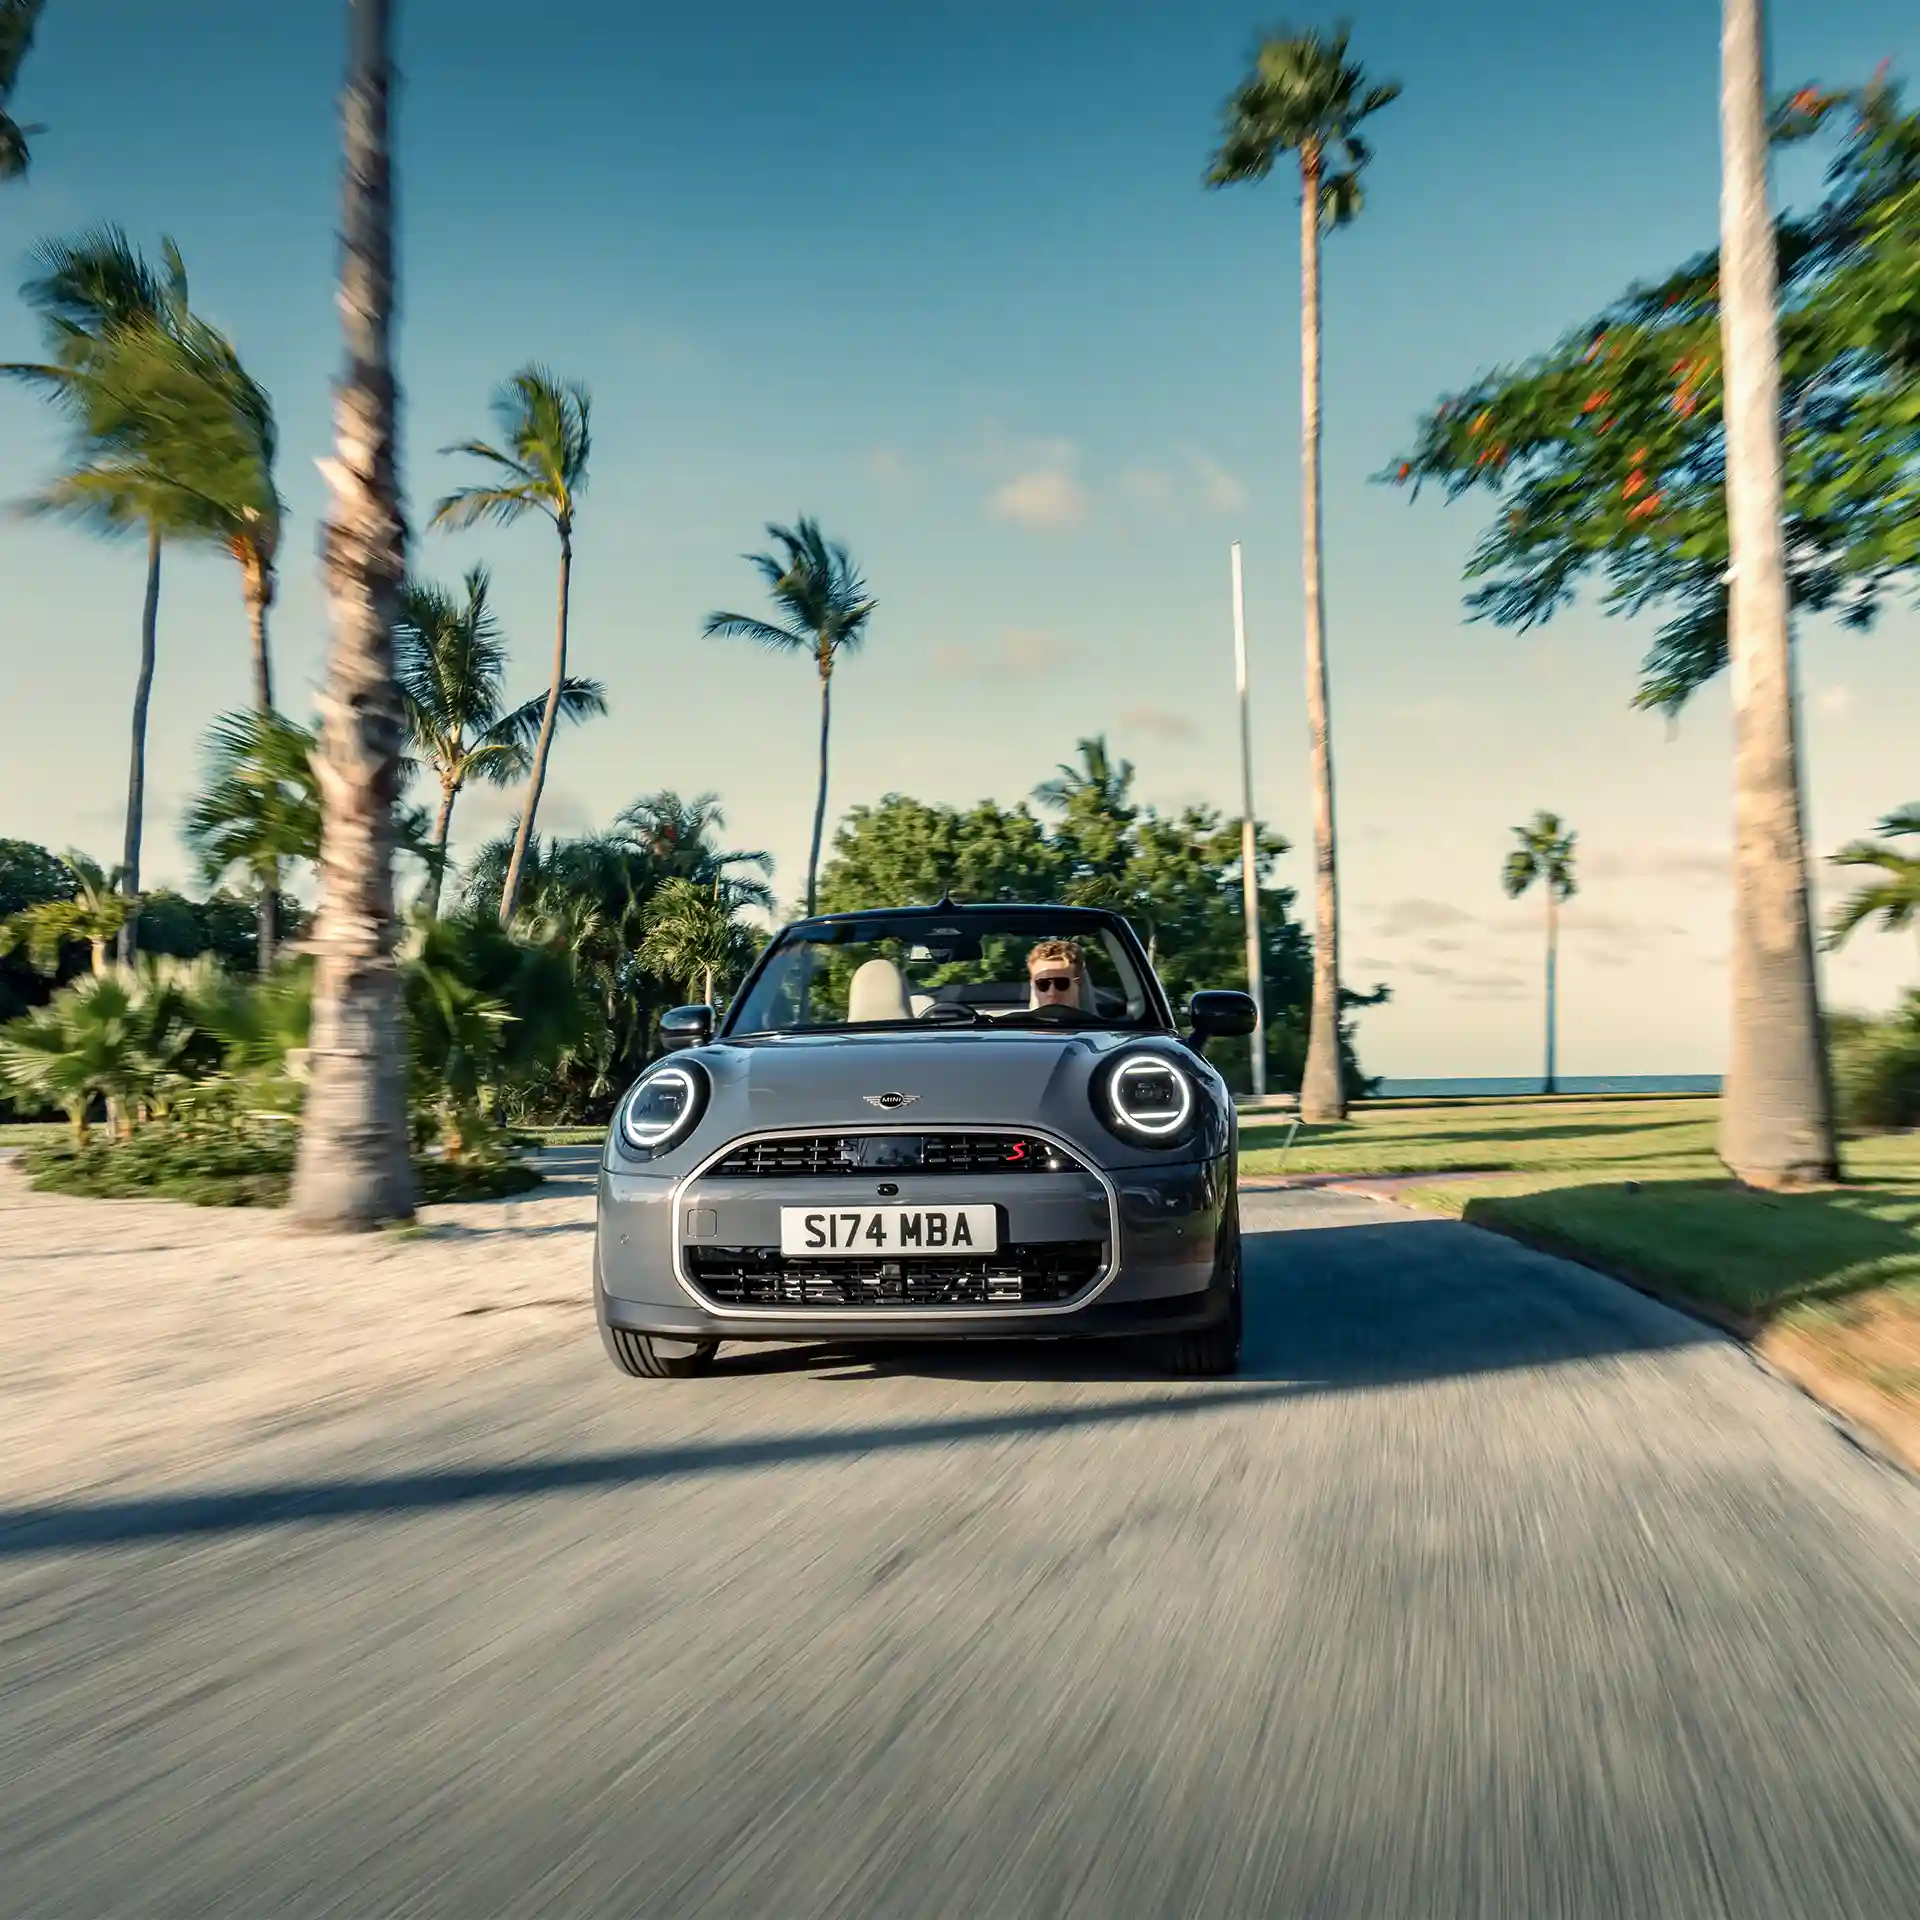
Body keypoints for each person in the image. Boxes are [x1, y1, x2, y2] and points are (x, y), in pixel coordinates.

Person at [1025, 938, 1088, 1012]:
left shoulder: (1098, 1023)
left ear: (1079, 983)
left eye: (1061, 983)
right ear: (1032, 985)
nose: (1052, 993)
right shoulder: (1016, 1023)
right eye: (1042, 984)